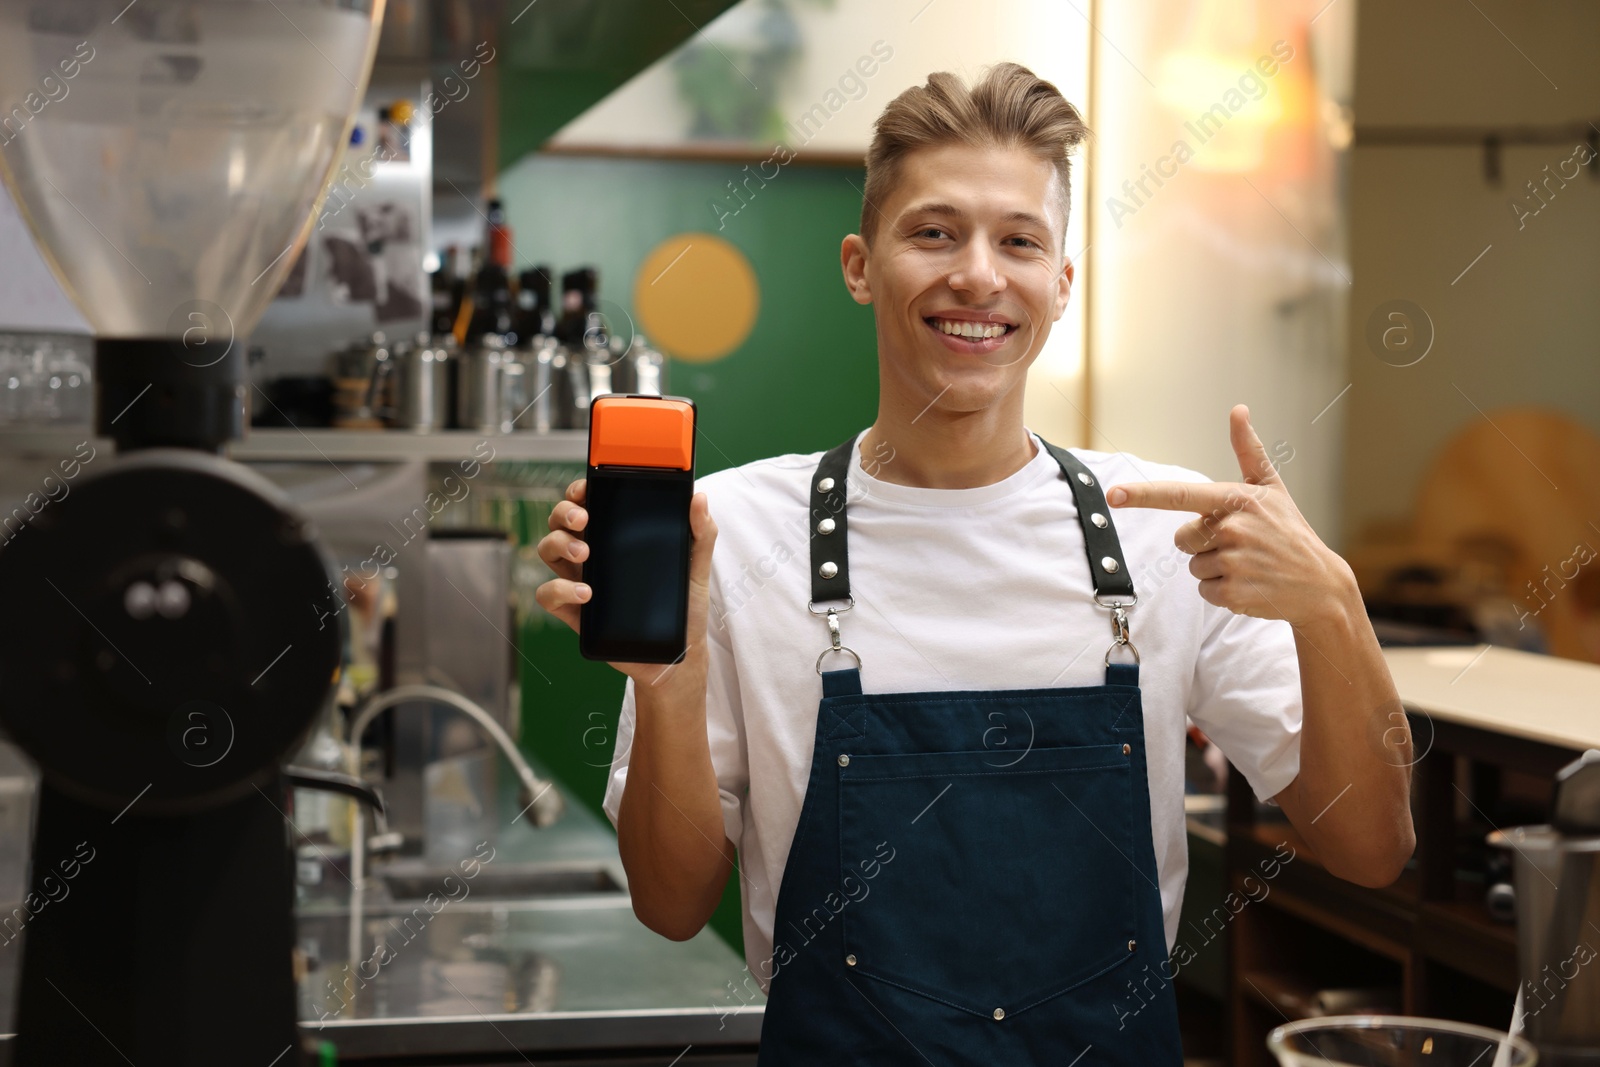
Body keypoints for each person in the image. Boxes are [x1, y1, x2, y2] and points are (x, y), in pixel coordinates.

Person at [536, 62, 1414, 1066]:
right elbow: (672, 903)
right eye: (933, 232)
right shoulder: (728, 532)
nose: (979, 277)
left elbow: (1370, 846)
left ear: (1062, 284)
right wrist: (670, 675)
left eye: (1019, 241)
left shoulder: (1165, 531)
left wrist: (1333, 606)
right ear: (861, 264)